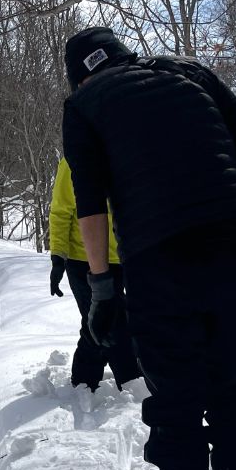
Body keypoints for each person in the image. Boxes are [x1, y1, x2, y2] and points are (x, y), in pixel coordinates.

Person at [59, 27, 236, 470]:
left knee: (177, 401)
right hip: (229, 243)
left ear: (79, 75)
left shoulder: (84, 105)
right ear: (125, 55)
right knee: (228, 387)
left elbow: (91, 206)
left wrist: (103, 286)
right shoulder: (194, 74)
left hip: (159, 260)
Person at [47, 157, 140, 391]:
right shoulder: (74, 160)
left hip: (126, 257)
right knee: (111, 323)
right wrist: (58, 256)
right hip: (83, 259)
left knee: (101, 322)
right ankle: (132, 384)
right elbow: (61, 210)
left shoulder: (128, 150)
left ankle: (83, 384)